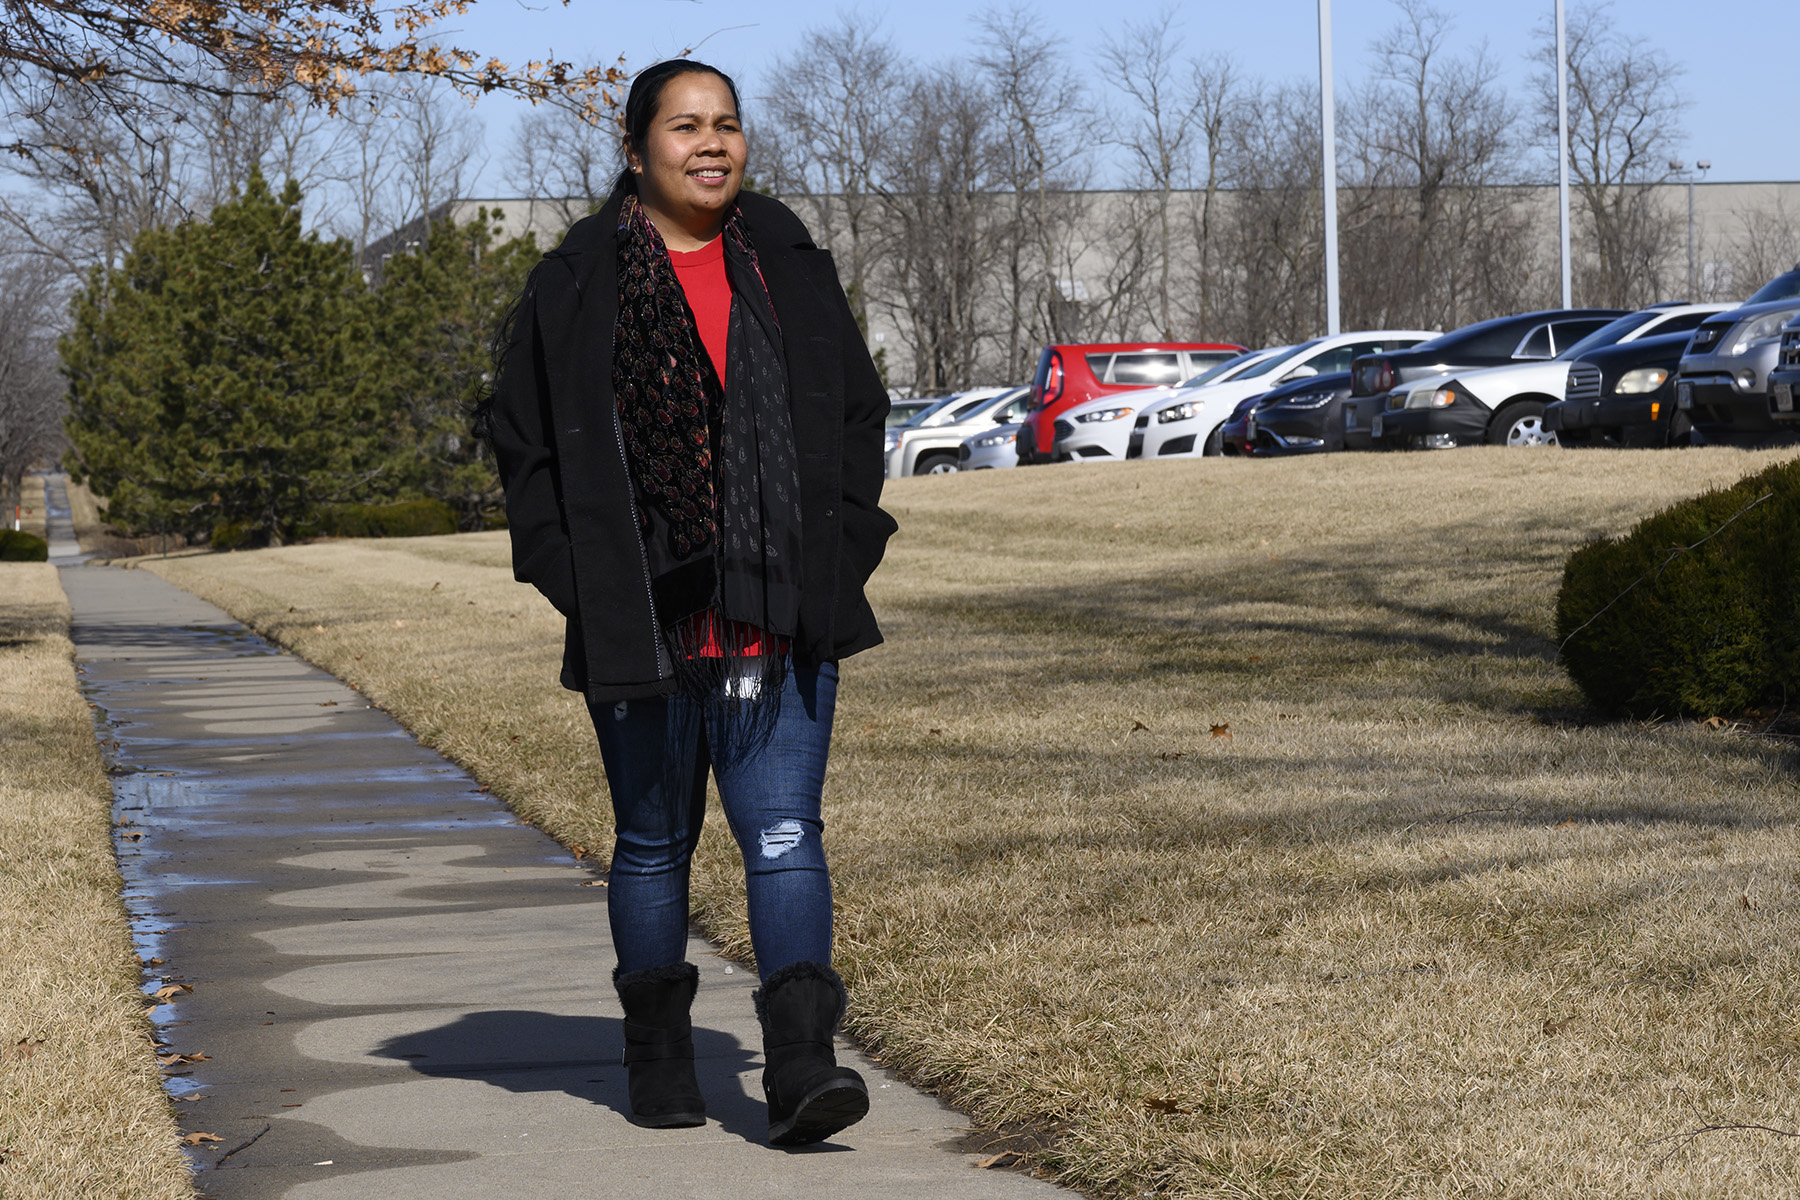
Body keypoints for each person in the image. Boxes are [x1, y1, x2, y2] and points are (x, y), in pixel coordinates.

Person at [480, 59, 897, 1147]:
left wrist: (845, 549)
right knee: (654, 843)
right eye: (684, 127)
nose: (711, 143)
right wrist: (577, 578)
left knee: (786, 834)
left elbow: (857, 413)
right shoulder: (574, 283)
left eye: (727, 125)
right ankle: (658, 1055)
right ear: (635, 150)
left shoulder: (789, 262)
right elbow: (524, 446)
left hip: (780, 602)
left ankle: (802, 1062)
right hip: (641, 614)